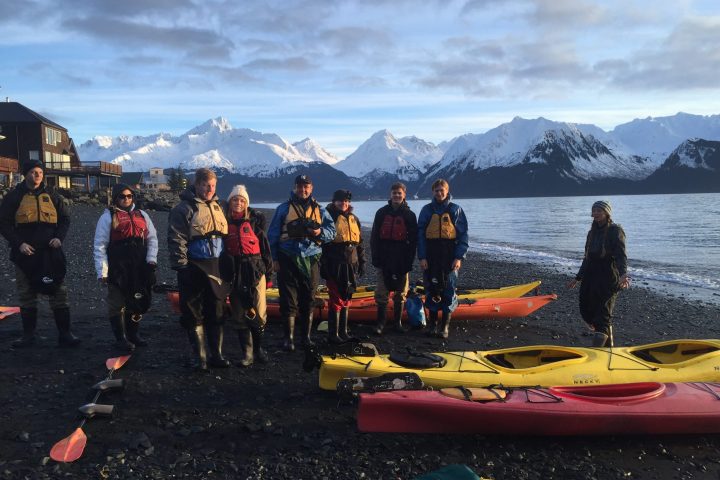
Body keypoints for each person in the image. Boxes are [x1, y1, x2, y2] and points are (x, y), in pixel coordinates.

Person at [0, 159, 80, 348]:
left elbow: (65, 220)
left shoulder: (53, 195)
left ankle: (65, 334)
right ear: (25, 174)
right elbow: (3, 223)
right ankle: (28, 336)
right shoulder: (14, 197)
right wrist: (19, 244)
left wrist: (59, 238)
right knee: (27, 293)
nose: (37, 175)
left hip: (51, 253)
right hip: (25, 253)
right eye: (33, 172)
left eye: (40, 172)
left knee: (59, 292)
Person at [168, 168, 232, 369]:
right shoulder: (184, 209)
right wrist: (181, 266)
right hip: (193, 266)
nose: (209, 189)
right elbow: (176, 238)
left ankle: (217, 355)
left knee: (217, 309)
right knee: (193, 311)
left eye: (212, 185)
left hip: (216, 266)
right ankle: (200, 358)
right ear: (196, 185)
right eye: (205, 185)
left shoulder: (220, 207)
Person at [267, 174, 335, 352]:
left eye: (306, 187)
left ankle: (306, 337)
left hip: (311, 258)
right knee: (288, 299)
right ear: (295, 187)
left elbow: (332, 231)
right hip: (287, 257)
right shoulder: (283, 209)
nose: (302, 190)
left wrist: (320, 232)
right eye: (300, 186)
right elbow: (272, 235)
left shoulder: (320, 210)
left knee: (308, 298)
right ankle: (288, 339)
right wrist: (274, 259)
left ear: (311, 188)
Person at [93, 183, 158, 352]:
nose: (126, 199)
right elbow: (100, 245)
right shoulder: (108, 217)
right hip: (118, 267)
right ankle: (120, 338)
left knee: (137, 300)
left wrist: (151, 260)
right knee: (117, 302)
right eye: (122, 196)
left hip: (139, 267)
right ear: (116, 198)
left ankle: (133, 334)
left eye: (129, 196)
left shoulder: (142, 215)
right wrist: (102, 271)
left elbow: (152, 239)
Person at [568, 200, 630, 347]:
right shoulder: (591, 233)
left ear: (607, 213)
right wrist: (578, 277)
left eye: (599, 210)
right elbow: (587, 257)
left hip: (607, 276)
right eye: (594, 210)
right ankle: (609, 347)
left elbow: (621, 255)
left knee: (602, 315)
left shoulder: (615, 230)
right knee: (586, 310)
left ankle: (597, 353)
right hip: (590, 276)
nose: (595, 213)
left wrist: (623, 274)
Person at [223, 185, 273, 367]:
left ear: (246, 204)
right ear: (230, 202)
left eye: (242, 200)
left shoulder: (254, 223)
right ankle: (247, 353)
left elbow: (266, 251)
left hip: (255, 271)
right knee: (239, 312)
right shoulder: (223, 224)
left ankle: (258, 349)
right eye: (235, 199)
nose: (238, 203)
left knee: (259, 312)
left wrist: (268, 275)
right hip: (235, 273)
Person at [417, 179, 468, 339]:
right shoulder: (426, 210)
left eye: (442, 190)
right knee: (431, 288)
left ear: (447, 191)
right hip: (431, 255)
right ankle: (432, 325)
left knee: (448, 288)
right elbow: (420, 235)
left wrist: (459, 257)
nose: (439, 193)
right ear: (433, 192)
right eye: (436, 190)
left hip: (449, 255)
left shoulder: (456, 210)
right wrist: (422, 257)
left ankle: (444, 327)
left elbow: (463, 235)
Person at [370, 182, 418, 334]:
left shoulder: (409, 215)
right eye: (394, 193)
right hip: (384, 259)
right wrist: (375, 258)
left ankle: (397, 323)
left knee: (401, 292)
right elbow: (374, 237)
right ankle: (381, 323)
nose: (397, 195)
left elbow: (413, 241)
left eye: (399, 193)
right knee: (381, 292)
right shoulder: (381, 213)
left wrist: (409, 262)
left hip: (401, 259)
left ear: (404, 195)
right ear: (390, 195)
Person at [321, 189, 366, 343]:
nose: (343, 203)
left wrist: (361, 262)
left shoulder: (354, 219)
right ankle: (333, 335)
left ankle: (343, 331)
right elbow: (323, 245)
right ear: (334, 201)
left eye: (346, 201)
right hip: (335, 263)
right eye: (340, 200)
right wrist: (324, 266)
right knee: (336, 297)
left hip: (351, 263)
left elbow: (359, 244)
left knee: (347, 296)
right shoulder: (328, 218)